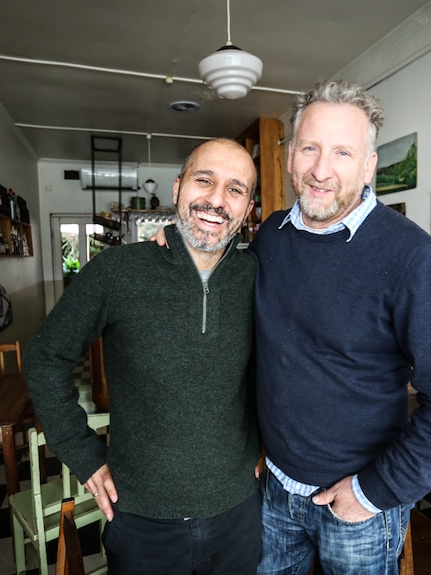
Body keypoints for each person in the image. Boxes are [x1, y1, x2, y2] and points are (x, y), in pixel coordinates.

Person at [250, 79, 431, 574]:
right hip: (273, 488)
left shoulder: (412, 258)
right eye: (310, 148)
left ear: (368, 165)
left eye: (342, 152)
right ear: (291, 154)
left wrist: (374, 491)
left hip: (357, 509)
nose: (321, 169)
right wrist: (178, 253)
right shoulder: (270, 237)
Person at [24, 138, 262, 575]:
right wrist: (83, 453)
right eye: (203, 180)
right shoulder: (117, 271)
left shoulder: (258, 277)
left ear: (247, 208)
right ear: (177, 189)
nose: (215, 200)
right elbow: (45, 356)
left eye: (235, 189)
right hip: (140, 515)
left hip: (240, 512)